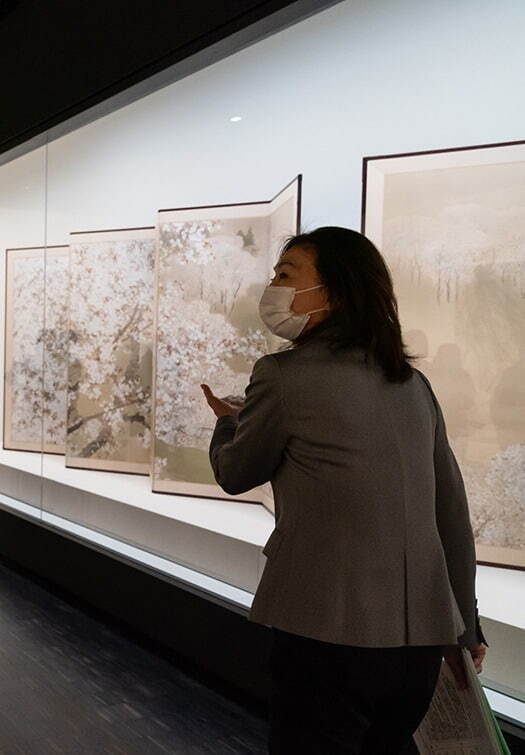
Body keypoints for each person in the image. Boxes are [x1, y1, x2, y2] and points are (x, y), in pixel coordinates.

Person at [200, 227, 486, 753]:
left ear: (332, 290)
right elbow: (452, 513)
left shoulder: (283, 375)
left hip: (326, 631)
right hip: (421, 641)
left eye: (286, 275)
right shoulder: (413, 384)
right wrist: (466, 627)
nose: (273, 287)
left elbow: (236, 472)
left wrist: (226, 424)